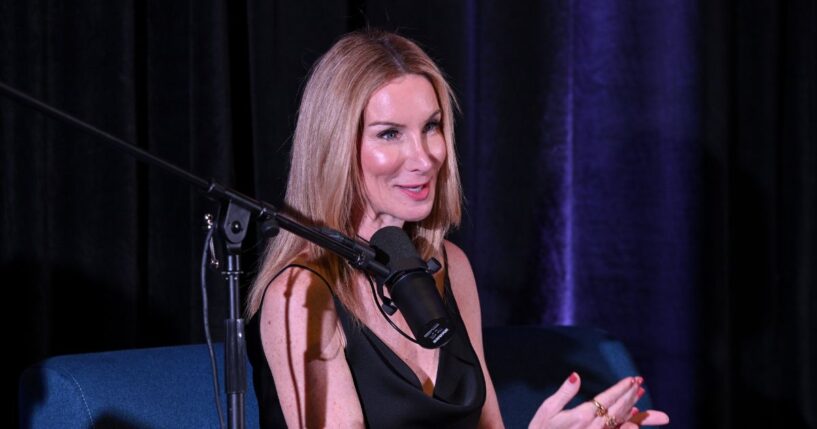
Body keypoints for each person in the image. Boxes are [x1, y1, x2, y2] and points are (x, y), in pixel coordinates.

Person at [245, 29, 670, 429]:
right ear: (334, 149)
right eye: (390, 134)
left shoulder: (448, 265)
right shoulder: (300, 295)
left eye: (431, 127)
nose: (425, 156)